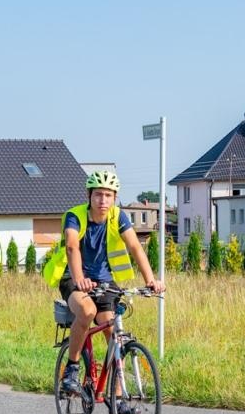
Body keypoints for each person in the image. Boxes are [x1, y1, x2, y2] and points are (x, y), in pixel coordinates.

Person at [43, 169, 163, 398]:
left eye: (108, 195)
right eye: (98, 194)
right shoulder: (75, 216)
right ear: (89, 195)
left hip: (104, 282)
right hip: (73, 278)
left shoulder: (118, 217)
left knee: (113, 331)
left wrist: (150, 280)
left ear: (115, 198)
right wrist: (79, 279)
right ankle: (71, 370)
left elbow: (135, 247)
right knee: (87, 311)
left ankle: (118, 397)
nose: (103, 200)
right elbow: (72, 247)